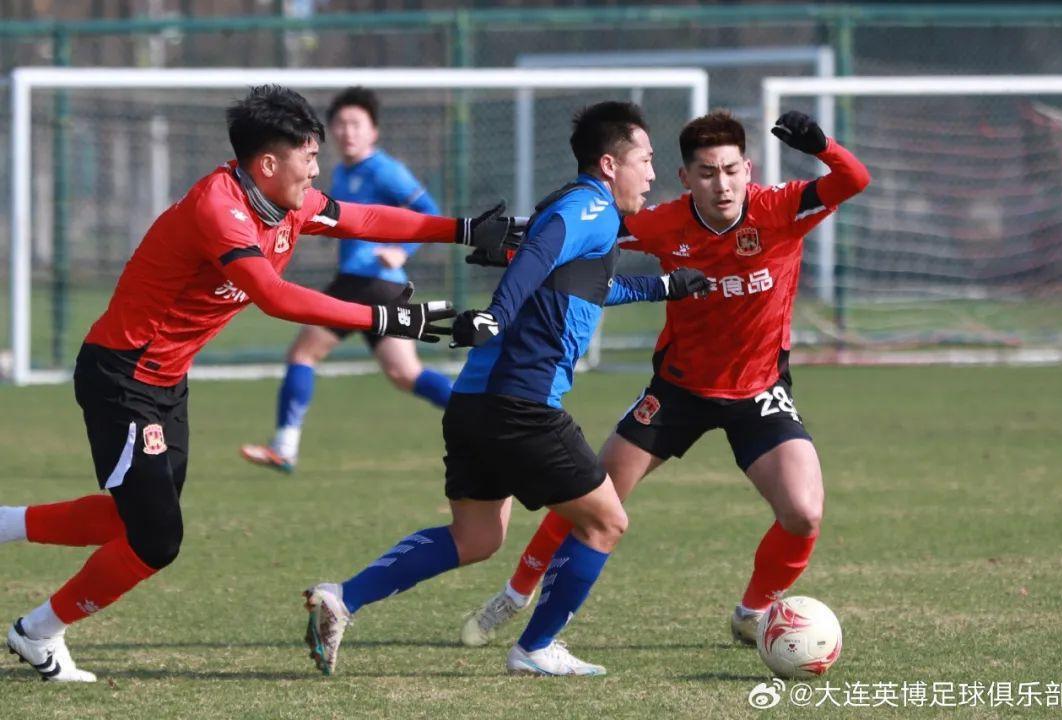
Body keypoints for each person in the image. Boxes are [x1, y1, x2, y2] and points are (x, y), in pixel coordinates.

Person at [0, 84, 516, 682]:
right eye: (309, 157)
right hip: (123, 376)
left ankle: (7, 524)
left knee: (130, 520)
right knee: (156, 539)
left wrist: (462, 229)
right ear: (268, 164)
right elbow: (273, 296)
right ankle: (38, 631)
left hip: (165, 380)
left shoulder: (284, 199)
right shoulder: (219, 208)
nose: (317, 170)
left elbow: (364, 218)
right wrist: (388, 317)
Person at [301, 101, 712, 678]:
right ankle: (536, 647)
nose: (651, 173)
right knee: (606, 521)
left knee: (475, 537)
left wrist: (665, 287)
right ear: (609, 164)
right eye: (644, 159)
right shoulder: (590, 207)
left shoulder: (578, 211)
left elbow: (587, 287)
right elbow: (539, 255)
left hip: (474, 403)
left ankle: (343, 597)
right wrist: (495, 315)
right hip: (522, 405)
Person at [458, 109, 871, 649]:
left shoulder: (782, 208)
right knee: (588, 493)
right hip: (677, 390)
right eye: (707, 173)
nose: (721, 185)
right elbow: (573, 234)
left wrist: (822, 146)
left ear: (748, 169)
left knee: (804, 513)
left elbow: (854, 180)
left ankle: (751, 613)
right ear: (685, 178)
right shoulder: (662, 223)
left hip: (759, 391)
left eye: (731, 170)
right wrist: (510, 247)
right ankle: (516, 593)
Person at [241, 87, 452, 473]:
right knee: (405, 374)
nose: (346, 132)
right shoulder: (340, 171)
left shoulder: (384, 169)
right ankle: (482, 417)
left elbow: (429, 212)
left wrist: (402, 251)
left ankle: (285, 446)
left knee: (303, 354)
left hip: (367, 282)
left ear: (374, 131)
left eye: (356, 124)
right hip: (379, 286)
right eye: (340, 124)